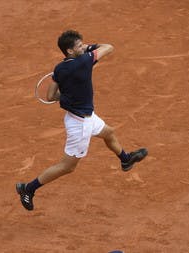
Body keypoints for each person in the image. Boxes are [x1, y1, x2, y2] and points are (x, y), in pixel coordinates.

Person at [16, 30, 148, 211]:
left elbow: (50, 95)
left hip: (82, 116)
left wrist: (68, 95)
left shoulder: (60, 68)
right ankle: (28, 189)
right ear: (70, 51)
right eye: (79, 45)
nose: (83, 47)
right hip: (80, 124)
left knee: (108, 132)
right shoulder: (84, 61)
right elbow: (109, 47)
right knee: (67, 167)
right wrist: (89, 47)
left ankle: (125, 159)